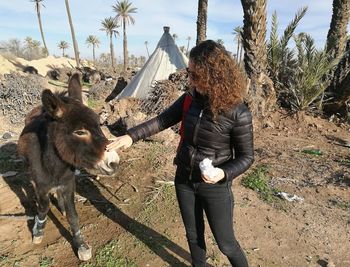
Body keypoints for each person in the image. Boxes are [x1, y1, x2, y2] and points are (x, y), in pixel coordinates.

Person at [107, 40, 254, 267]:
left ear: (213, 76)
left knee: (226, 244)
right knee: (193, 236)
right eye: (189, 72)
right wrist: (130, 136)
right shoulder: (190, 99)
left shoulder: (238, 112)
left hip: (213, 187)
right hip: (184, 178)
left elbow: (246, 157)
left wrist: (222, 174)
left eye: (195, 75)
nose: (190, 79)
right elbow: (163, 120)